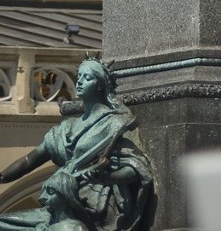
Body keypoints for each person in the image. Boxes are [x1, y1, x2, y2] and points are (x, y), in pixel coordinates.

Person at [0, 58, 154, 231]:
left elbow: (136, 168)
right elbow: (29, 160)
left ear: (100, 85)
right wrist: (2, 177)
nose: (79, 81)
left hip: (91, 204)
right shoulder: (67, 127)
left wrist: (107, 178)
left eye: (87, 77)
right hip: (60, 201)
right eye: (79, 76)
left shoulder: (114, 123)